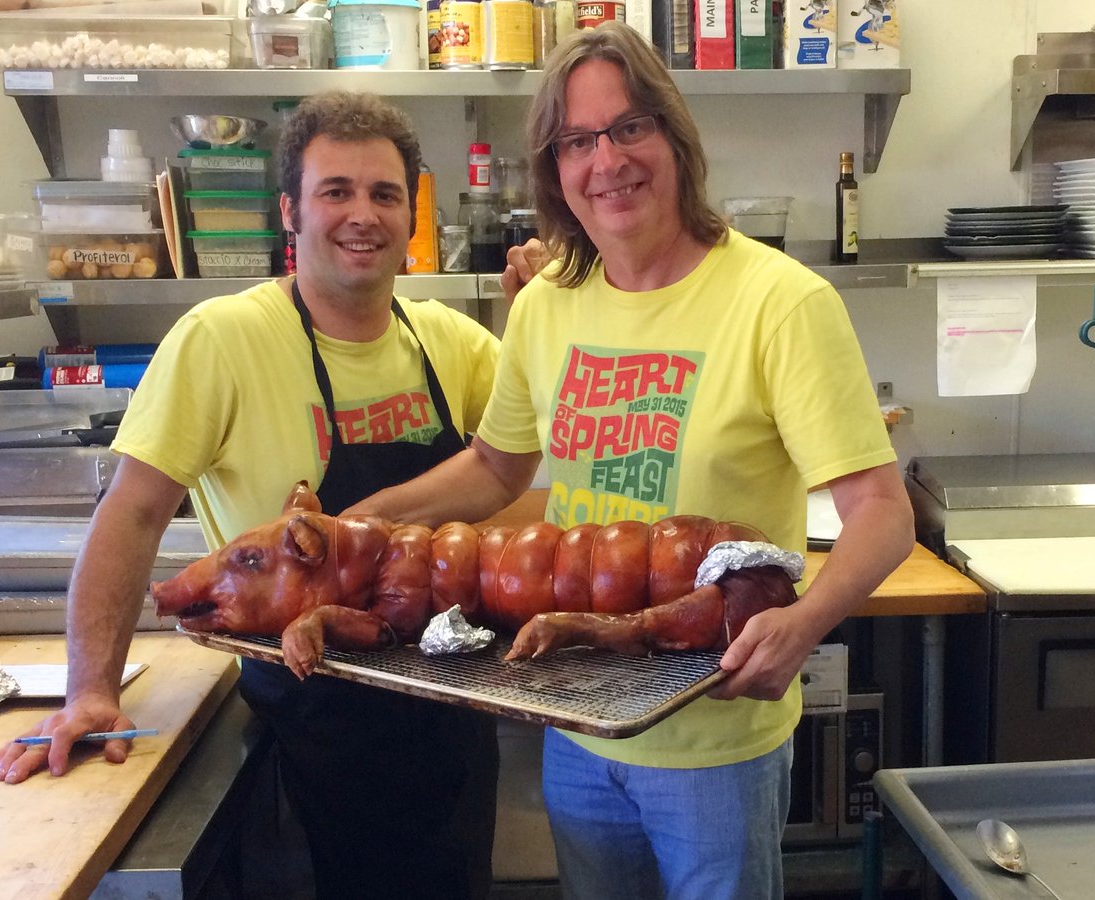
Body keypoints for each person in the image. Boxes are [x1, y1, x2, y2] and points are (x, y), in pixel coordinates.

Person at [344, 21, 915, 900]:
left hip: (713, 734)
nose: (605, 160)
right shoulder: (546, 308)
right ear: (555, 170)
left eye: (628, 127)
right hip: (580, 719)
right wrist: (362, 524)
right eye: (576, 140)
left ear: (674, 136)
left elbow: (882, 509)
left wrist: (803, 624)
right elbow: (495, 469)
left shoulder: (780, 302)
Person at [0, 90, 509, 900]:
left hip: (448, 704)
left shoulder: (455, 343)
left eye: (384, 193)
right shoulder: (222, 339)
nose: (361, 214)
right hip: (310, 714)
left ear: (412, 215)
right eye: (335, 190)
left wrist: (550, 298)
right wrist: (92, 689)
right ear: (289, 212)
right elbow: (130, 514)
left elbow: (526, 480)